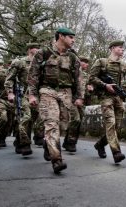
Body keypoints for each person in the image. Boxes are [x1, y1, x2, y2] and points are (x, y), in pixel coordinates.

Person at [28, 28, 85, 173]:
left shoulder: (73, 57)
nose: (73, 40)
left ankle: (49, 144)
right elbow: (33, 74)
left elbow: (79, 79)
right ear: (61, 36)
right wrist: (32, 95)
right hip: (47, 90)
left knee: (62, 124)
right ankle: (57, 159)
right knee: (51, 122)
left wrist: (79, 97)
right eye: (71, 37)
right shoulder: (44, 53)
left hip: (66, 93)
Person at [89, 40, 126, 163]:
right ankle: (116, 152)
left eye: (123, 48)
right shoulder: (101, 62)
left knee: (117, 127)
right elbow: (91, 78)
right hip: (106, 97)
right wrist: (105, 85)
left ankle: (100, 144)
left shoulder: (125, 65)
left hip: (119, 98)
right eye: (120, 47)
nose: (122, 50)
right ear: (112, 48)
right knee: (111, 122)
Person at [5, 43, 41, 156]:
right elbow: (9, 79)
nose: (38, 50)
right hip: (22, 94)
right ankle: (25, 144)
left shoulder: (42, 63)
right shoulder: (19, 62)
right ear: (29, 50)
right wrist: (10, 93)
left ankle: (20, 140)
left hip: (37, 94)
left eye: (40, 48)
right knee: (26, 117)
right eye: (36, 48)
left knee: (36, 119)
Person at [62, 56, 91, 152]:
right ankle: (70, 142)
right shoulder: (72, 73)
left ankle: (68, 142)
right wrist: (74, 99)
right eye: (84, 62)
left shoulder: (86, 76)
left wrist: (90, 90)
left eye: (87, 63)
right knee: (76, 119)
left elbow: (86, 92)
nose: (86, 64)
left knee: (79, 122)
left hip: (81, 102)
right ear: (79, 62)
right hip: (71, 100)